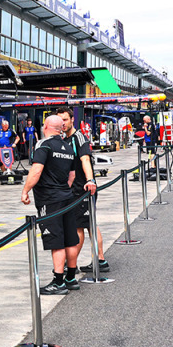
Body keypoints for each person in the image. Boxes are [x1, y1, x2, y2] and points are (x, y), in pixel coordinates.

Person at [20, 115, 80, 295]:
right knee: (70, 239)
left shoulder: (44, 145)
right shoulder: (68, 147)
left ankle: (58, 283)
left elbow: (36, 170)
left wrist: (25, 191)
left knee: (56, 241)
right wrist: (62, 190)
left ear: (46, 126)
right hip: (67, 198)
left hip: (50, 200)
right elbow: (72, 176)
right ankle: (71, 278)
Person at [57, 107, 102, 282]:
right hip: (74, 190)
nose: (62, 123)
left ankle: (71, 265)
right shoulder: (65, 139)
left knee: (78, 227)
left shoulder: (79, 138)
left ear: (72, 120)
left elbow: (85, 160)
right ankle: (100, 259)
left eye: (65, 120)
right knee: (90, 225)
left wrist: (90, 180)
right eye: (60, 120)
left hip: (83, 190)